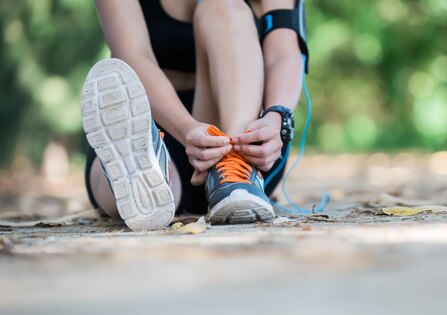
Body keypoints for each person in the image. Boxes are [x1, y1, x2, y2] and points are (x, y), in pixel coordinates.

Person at [81, 0, 308, 231]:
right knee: (129, 177)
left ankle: (235, 172)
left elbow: (284, 51)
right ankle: (148, 172)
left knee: (225, 7)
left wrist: (276, 114)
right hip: (154, 120)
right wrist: (187, 128)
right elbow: (133, 55)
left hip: (246, 136)